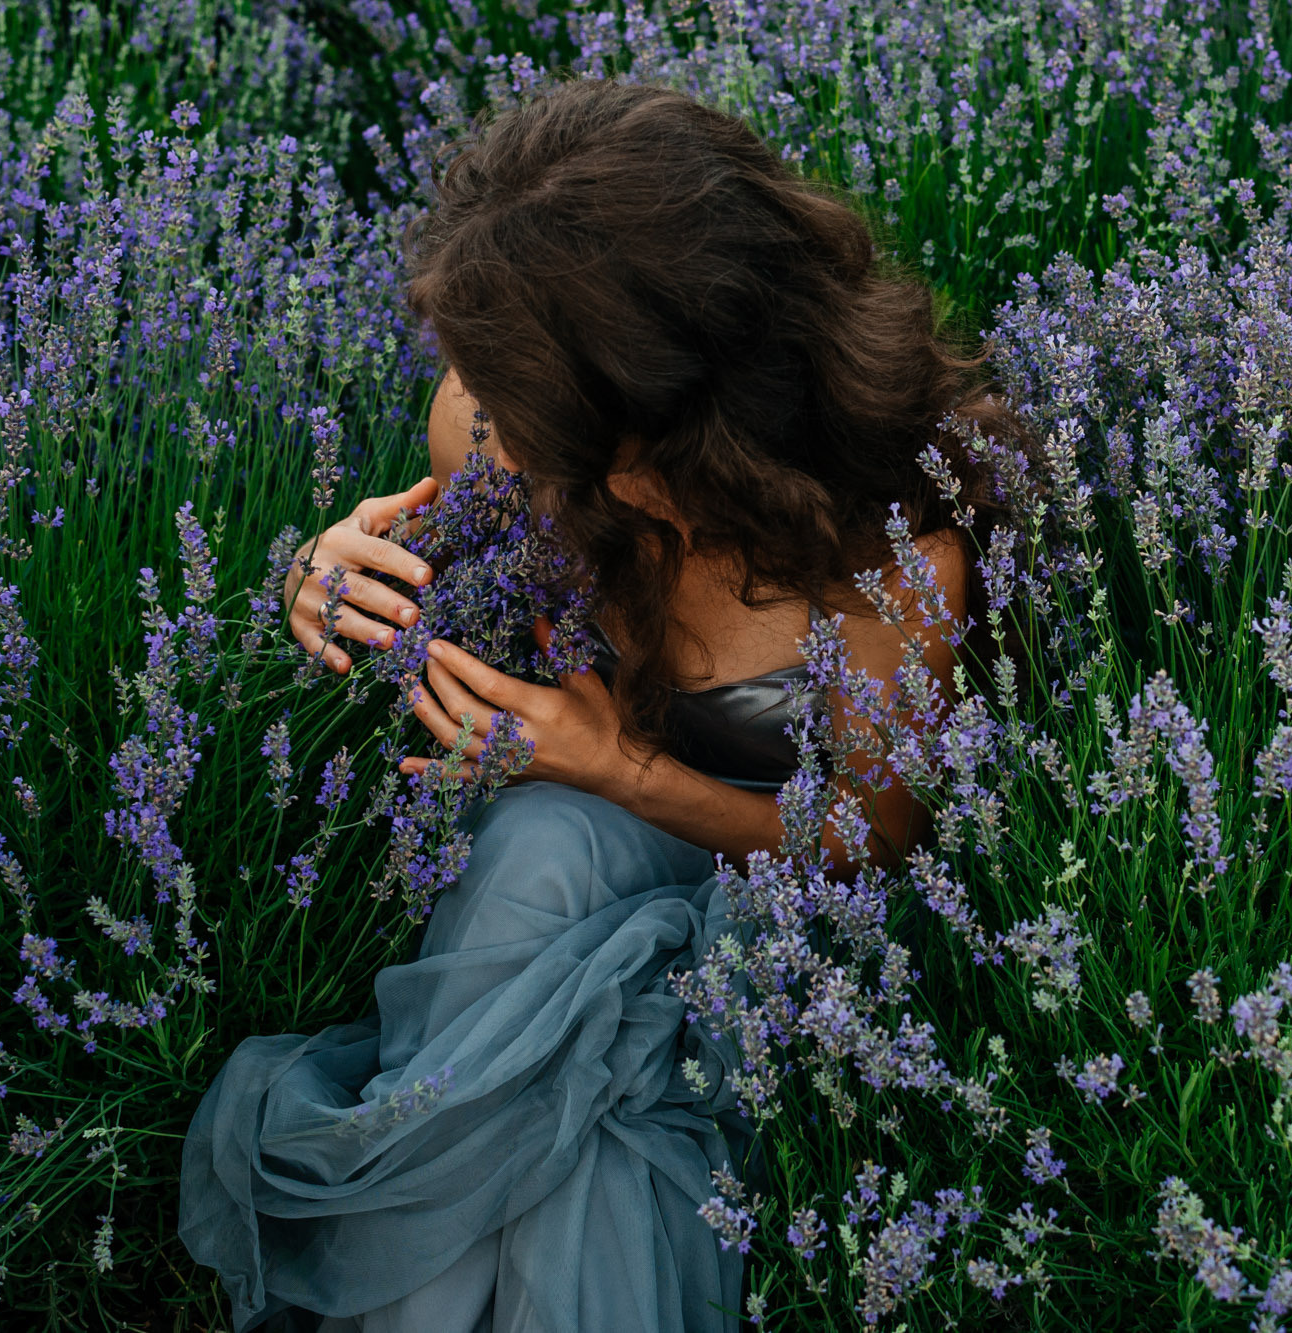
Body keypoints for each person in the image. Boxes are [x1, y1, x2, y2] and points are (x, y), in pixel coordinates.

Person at [178, 76, 1029, 1332]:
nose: (476, 425)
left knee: (605, 1040)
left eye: (511, 398)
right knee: (536, 847)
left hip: (793, 897)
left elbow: (877, 841)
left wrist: (615, 766)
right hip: (588, 819)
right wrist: (323, 572)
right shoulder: (494, 425)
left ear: (655, 408)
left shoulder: (893, 548)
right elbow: (428, 537)